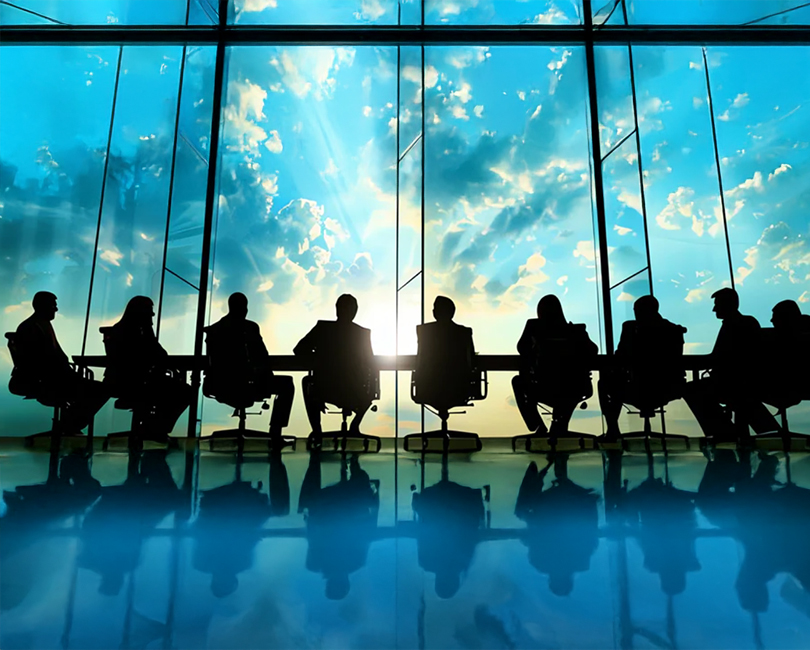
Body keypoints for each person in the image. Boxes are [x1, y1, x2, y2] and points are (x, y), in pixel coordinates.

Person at [682, 288, 777, 440]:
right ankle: (733, 432)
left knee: (691, 390)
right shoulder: (743, 322)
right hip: (742, 381)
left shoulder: (735, 324)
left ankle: (723, 433)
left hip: (735, 382)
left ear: (728, 305)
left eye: (717, 305)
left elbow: (716, 358)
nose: (714, 309)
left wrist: (682, 362)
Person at [10, 291, 108, 433]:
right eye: (52, 306)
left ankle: (70, 423)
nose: (56, 309)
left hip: (51, 378)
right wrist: (69, 374)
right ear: (41, 306)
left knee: (96, 389)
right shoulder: (32, 328)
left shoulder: (39, 325)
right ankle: (70, 425)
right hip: (47, 380)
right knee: (101, 390)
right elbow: (42, 362)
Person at [204, 292, 294, 436]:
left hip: (221, 385)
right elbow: (263, 356)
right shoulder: (250, 328)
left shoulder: (214, 329)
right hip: (249, 383)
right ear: (245, 309)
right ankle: (275, 431)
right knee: (287, 384)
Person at [598, 295, 686, 441]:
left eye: (637, 310)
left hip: (638, 387)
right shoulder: (673, 330)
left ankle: (612, 429)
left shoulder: (631, 329)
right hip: (665, 387)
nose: (635, 314)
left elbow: (620, 356)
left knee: (606, 384)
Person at [103, 296, 193, 438]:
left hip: (138, 381)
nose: (152, 314)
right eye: (149, 311)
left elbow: (159, 353)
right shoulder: (130, 333)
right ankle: (157, 428)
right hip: (133, 383)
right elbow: (154, 355)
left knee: (179, 390)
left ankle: (155, 427)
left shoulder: (139, 331)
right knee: (185, 391)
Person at [512, 295, 597, 436]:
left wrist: (532, 332)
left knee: (518, 382)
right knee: (567, 392)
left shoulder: (535, 329)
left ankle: (538, 425)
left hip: (544, 386)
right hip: (574, 387)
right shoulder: (576, 332)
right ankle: (559, 425)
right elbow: (593, 351)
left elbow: (522, 348)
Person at [294, 294, 375, 438]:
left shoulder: (322, 328)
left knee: (307, 382)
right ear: (355, 312)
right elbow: (371, 363)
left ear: (336, 309)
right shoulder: (363, 334)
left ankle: (317, 430)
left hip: (324, 388)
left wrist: (318, 356)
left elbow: (299, 350)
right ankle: (355, 425)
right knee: (372, 386)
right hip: (355, 390)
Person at [413, 296, 477, 416]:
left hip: (429, 388)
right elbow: (472, 361)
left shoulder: (423, 331)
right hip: (459, 389)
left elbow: (421, 358)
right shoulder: (464, 332)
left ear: (435, 312)